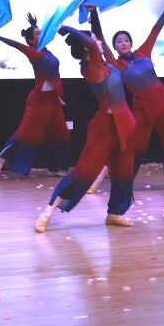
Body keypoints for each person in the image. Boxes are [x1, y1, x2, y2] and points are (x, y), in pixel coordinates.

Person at [35, 26, 136, 232]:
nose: (99, 42)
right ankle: (48, 211)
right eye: (95, 41)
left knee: (124, 172)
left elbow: (95, 39)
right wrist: (65, 28)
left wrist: (93, 15)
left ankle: (115, 213)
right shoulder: (91, 67)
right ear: (87, 48)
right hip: (105, 128)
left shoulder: (104, 63)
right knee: (84, 172)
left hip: (125, 125)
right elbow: (91, 43)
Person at [88, 0, 164, 191]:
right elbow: (100, 39)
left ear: (131, 43)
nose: (123, 43)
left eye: (126, 40)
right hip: (143, 108)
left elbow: (155, 30)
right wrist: (93, 14)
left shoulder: (143, 53)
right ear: (115, 47)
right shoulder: (116, 64)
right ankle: (123, 180)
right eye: (119, 41)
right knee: (134, 146)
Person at [0, 13, 70, 181]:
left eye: (41, 32)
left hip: (53, 101)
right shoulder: (34, 53)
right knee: (24, 134)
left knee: (60, 134)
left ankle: (54, 167)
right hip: (39, 101)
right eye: (38, 34)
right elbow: (17, 45)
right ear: (31, 41)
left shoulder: (46, 51)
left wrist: (34, 24)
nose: (42, 35)